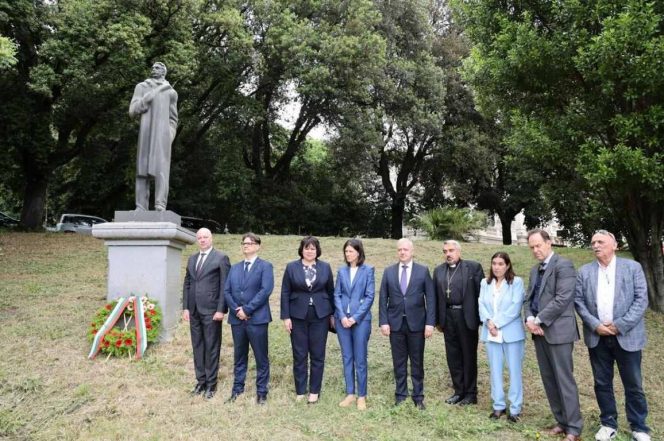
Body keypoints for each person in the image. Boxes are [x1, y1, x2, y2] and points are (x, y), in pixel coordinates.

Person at [575, 230, 651, 441]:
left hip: (627, 336)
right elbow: (579, 302)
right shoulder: (584, 271)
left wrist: (619, 325)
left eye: (601, 242)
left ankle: (639, 427)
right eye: (593, 242)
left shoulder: (632, 267)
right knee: (602, 383)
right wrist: (595, 325)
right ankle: (608, 424)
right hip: (597, 337)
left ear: (615, 245)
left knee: (633, 384)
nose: (596, 245)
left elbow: (641, 300)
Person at [524, 229, 583, 441]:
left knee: (564, 380)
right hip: (539, 333)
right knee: (549, 379)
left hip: (559, 332)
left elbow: (563, 298)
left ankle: (574, 428)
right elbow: (528, 299)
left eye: (538, 245)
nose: (535, 250)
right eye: (532, 247)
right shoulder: (534, 270)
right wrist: (529, 319)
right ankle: (561, 421)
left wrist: (538, 319)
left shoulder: (563, 265)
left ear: (549, 243)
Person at [378, 238, 435, 409]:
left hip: (417, 324)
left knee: (417, 361)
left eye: (405, 249)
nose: (402, 252)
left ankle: (418, 396)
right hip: (395, 324)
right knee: (399, 361)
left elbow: (430, 299)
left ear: (412, 251)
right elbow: (383, 298)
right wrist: (383, 322)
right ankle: (401, 395)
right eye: (399, 249)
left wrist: (430, 323)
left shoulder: (422, 271)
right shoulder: (388, 272)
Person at [280, 236, 335, 404]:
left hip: (320, 316)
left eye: (313, 248)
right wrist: (286, 317)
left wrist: (333, 315)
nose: (310, 251)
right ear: (301, 250)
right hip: (297, 316)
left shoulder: (325, 267)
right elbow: (285, 292)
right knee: (299, 354)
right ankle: (300, 390)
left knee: (318, 354)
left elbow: (331, 292)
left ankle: (314, 391)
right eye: (307, 248)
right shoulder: (291, 267)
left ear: (317, 250)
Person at [224, 233, 274, 405]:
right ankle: (237, 389)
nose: (246, 245)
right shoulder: (235, 268)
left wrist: (247, 309)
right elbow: (227, 291)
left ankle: (262, 392)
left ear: (258, 246)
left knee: (261, 357)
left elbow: (265, 291)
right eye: (244, 243)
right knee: (239, 356)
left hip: (257, 319)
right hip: (237, 320)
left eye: (250, 243)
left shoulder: (265, 266)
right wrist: (237, 310)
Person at [433, 240, 484, 406]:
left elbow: (482, 295)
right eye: (445, 251)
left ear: (459, 251)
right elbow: (435, 297)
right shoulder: (439, 271)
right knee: (453, 355)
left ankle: (471, 393)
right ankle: (458, 391)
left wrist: (482, 318)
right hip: (448, 317)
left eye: (451, 250)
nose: (448, 254)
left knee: (468, 355)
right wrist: (437, 320)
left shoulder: (473, 267)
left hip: (466, 316)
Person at [182, 228, 231, 399]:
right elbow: (187, 283)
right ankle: (201, 381)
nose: (202, 240)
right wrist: (186, 307)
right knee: (197, 346)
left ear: (211, 239)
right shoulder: (192, 258)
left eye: (205, 237)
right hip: (194, 310)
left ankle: (211, 384)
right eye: (199, 237)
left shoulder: (221, 258)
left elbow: (225, 285)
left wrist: (221, 309)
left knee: (211, 346)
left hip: (212, 311)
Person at [478, 251, 525, 422]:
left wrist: (496, 323)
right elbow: (481, 304)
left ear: (507, 265)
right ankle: (498, 405)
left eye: (500, 264)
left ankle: (515, 408)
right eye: (494, 264)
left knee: (514, 371)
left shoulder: (516, 282)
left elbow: (515, 307)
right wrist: (489, 322)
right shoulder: (485, 283)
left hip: (511, 333)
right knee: (495, 370)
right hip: (491, 333)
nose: (496, 267)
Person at [128, 62, 178, 211]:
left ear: (164, 72)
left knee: (161, 170)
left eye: (157, 68)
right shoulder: (142, 87)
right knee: (141, 169)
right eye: (153, 67)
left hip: (162, 137)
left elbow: (173, 119)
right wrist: (147, 98)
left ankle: (160, 204)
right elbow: (132, 111)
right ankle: (140, 206)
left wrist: (170, 135)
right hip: (146, 133)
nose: (153, 69)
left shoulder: (171, 92)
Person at [334, 238, 375, 410]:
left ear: (359, 252)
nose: (348, 254)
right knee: (347, 357)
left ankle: (362, 396)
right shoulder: (341, 271)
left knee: (360, 358)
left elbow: (370, 296)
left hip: (361, 321)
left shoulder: (368, 270)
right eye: (346, 251)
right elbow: (336, 295)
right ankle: (350, 393)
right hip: (342, 321)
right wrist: (342, 316)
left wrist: (355, 318)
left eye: (351, 251)